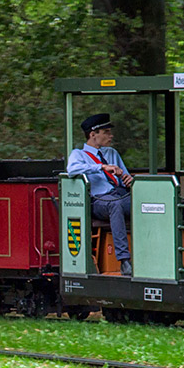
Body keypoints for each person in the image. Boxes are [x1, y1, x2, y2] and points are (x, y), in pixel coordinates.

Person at [67, 113, 134, 276]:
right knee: (114, 205)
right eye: (106, 132)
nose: (111, 136)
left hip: (120, 194)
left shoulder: (111, 153)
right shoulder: (78, 155)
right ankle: (124, 260)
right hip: (99, 201)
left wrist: (128, 180)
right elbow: (72, 170)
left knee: (147, 204)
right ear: (92, 135)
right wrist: (101, 167)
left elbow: (126, 176)